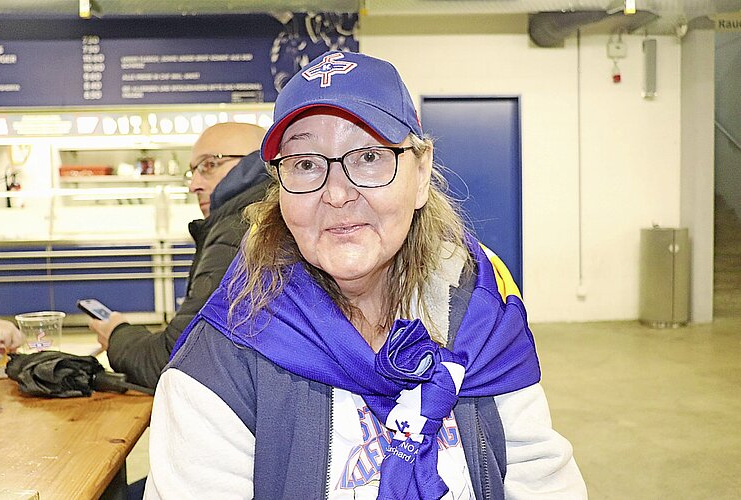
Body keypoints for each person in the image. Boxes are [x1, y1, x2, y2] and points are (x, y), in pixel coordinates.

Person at [146, 51, 587, 499]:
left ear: (421, 172)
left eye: (369, 156)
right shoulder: (223, 358)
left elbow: (541, 478)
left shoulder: (481, 316)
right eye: (306, 164)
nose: (337, 193)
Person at [88, 122, 270, 389]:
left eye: (210, 165)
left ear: (255, 163)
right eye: (192, 171)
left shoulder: (237, 232)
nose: (194, 185)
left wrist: (117, 333)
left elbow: (175, 361)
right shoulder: (265, 221)